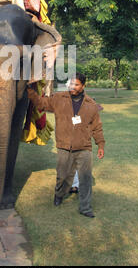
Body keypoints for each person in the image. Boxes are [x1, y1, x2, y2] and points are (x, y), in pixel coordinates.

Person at [27, 72, 105, 218]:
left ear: (83, 86)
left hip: (84, 147)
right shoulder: (58, 98)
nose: (72, 87)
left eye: (76, 85)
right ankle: (59, 194)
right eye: (71, 84)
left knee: (86, 178)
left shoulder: (91, 105)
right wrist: (30, 90)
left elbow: (97, 127)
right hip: (64, 146)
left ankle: (85, 208)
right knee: (63, 176)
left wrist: (100, 145)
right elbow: (41, 103)